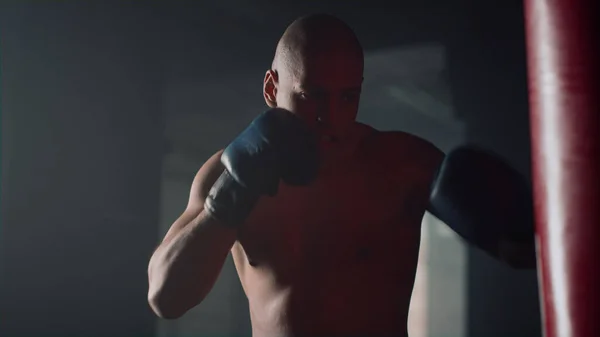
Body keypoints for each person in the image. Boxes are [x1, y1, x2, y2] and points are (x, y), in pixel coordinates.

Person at [147, 14, 536, 337]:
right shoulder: (226, 171)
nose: (330, 119)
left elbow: (524, 253)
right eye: (310, 95)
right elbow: (166, 297)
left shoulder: (404, 163)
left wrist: (518, 225)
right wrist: (230, 194)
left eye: (347, 97)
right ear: (272, 88)